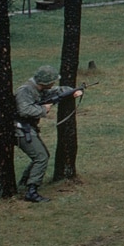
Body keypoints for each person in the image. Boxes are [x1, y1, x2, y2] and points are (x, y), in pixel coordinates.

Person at [13, 66, 81, 203]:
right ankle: (31, 190)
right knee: (41, 157)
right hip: (19, 129)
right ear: (44, 82)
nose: (54, 83)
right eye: (52, 81)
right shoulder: (25, 90)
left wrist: (71, 91)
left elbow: (55, 91)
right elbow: (24, 110)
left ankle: (24, 184)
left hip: (26, 128)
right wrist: (43, 109)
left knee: (41, 155)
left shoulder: (39, 89)